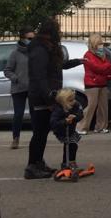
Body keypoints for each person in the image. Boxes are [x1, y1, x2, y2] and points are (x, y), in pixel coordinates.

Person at [24, 20, 84, 179]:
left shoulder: (47, 48)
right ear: (51, 32)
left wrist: (78, 62)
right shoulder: (39, 50)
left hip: (47, 95)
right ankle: (32, 166)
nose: (61, 32)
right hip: (41, 98)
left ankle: (38, 163)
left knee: (42, 132)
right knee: (39, 133)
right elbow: (40, 77)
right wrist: (49, 99)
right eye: (58, 29)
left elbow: (58, 66)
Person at [4, 27, 34, 149]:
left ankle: (37, 138)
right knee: (18, 114)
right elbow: (7, 70)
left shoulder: (36, 52)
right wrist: (16, 78)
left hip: (33, 88)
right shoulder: (15, 53)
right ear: (23, 38)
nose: (32, 40)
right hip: (18, 89)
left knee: (35, 114)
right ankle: (15, 138)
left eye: (33, 38)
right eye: (30, 38)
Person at [78, 33, 111, 134]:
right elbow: (98, 68)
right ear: (93, 44)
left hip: (102, 83)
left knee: (103, 107)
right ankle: (81, 127)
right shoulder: (88, 55)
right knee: (91, 106)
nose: (101, 46)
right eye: (98, 43)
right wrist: (107, 65)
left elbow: (109, 70)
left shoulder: (102, 55)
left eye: (101, 43)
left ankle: (101, 127)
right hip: (92, 84)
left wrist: (106, 67)